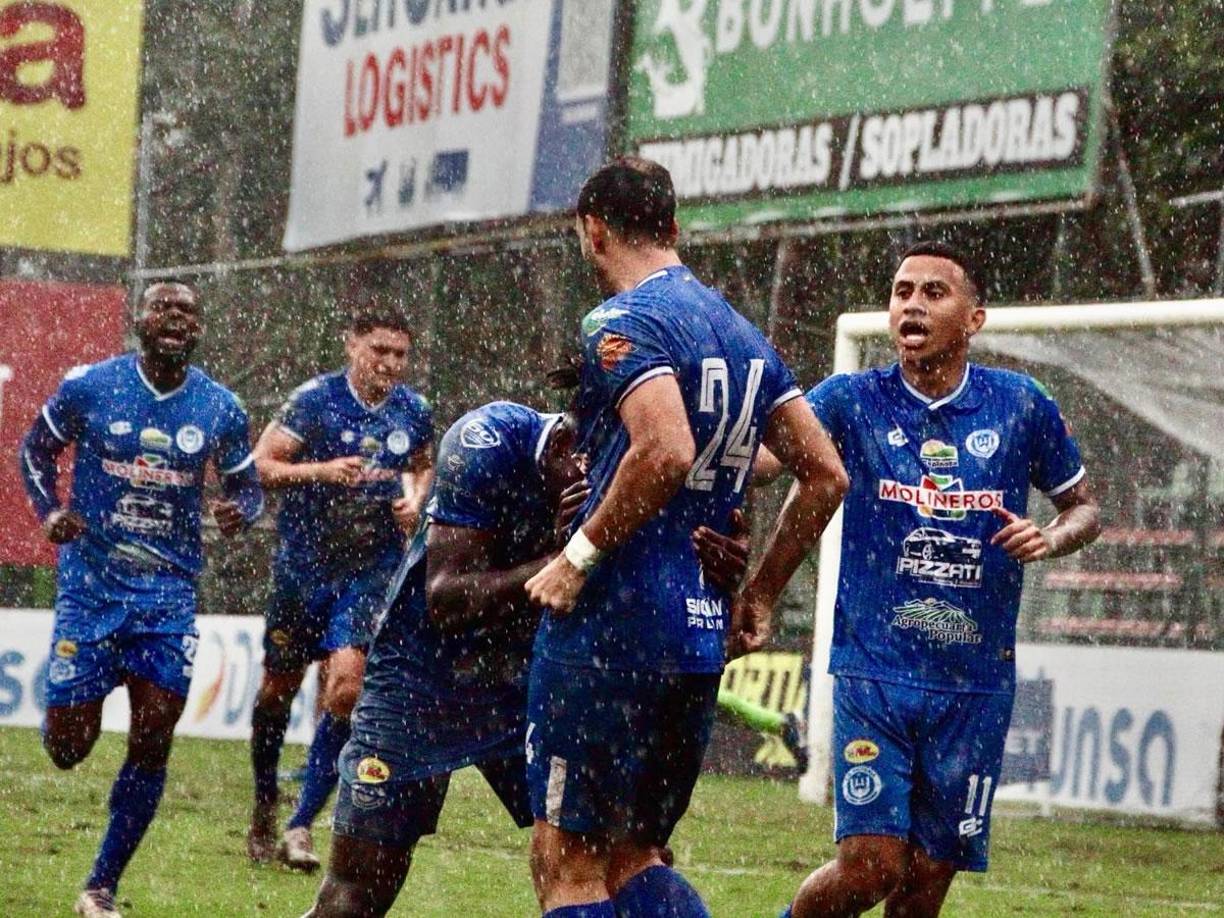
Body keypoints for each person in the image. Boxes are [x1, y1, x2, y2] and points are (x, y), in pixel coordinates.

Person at [524, 157, 848, 917]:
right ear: (673, 226)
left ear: (592, 231)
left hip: (612, 627)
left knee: (567, 864)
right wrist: (759, 596)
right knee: (635, 856)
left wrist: (577, 558)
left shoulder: (622, 320)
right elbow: (826, 473)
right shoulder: (742, 335)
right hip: (696, 638)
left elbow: (664, 448)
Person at [304, 388, 750, 917]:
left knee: (625, 864)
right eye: (599, 468)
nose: (611, 489)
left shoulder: (640, 479)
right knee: (355, 898)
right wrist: (568, 558)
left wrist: (718, 577)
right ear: (571, 445)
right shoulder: (487, 441)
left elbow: (668, 591)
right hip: (423, 682)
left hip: (537, 682)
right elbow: (447, 598)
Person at [778, 241, 1101, 918]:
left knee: (924, 882)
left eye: (932, 292)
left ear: (974, 319)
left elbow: (1085, 508)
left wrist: (1050, 536)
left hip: (973, 684)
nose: (911, 305)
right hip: (876, 671)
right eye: (901, 292)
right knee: (870, 867)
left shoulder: (1020, 405)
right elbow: (766, 464)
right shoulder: (850, 400)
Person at [18, 281, 263, 918]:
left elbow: (250, 488)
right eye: (164, 308)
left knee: (155, 734)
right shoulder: (90, 387)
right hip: (91, 589)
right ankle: (68, 702)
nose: (175, 319)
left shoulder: (220, 407)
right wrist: (50, 513)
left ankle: (101, 887)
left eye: (187, 311)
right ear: (141, 319)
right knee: (67, 749)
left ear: (198, 328)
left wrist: (240, 510)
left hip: (167, 595)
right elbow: (34, 451)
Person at [245, 305, 434, 870]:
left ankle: (301, 825)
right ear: (352, 345)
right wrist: (318, 471)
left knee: (347, 692)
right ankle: (263, 800)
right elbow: (260, 466)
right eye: (379, 350)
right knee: (277, 690)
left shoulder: (413, 410)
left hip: (371, 570)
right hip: (304, 569)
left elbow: (423, 467)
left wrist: (416, 499)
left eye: (399, 354)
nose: (390, 364)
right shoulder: (314, 401)